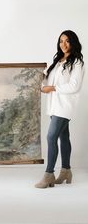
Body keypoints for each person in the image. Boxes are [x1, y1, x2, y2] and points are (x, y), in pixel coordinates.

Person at [35, 30, 85, 188]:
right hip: (54, 106)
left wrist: (53, 88)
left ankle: (49, 174)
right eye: (61, 41)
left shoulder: (77, 62)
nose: (63, 44)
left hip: (65, 107)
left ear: (73, 42)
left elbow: (74, 86)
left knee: (51, 137)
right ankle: (66, 171)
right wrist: (42, 79)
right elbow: (48, 80)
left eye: (67, 41)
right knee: (63, 137)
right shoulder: (57, 61)